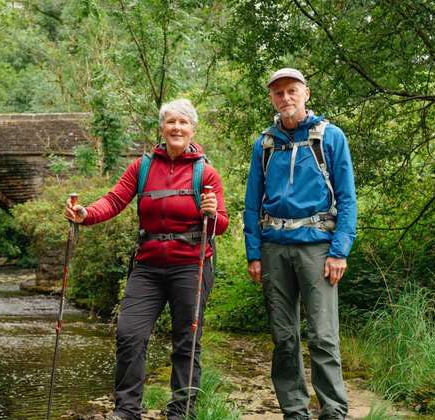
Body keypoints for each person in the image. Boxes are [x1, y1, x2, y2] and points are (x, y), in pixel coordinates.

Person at [65, 98, 228, 420]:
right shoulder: (142, 167)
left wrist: (211, 212)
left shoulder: (206, 173)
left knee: (187, 341)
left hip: (191, 265)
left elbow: (220, 223)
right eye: (171, 122)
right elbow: (113, 201)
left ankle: (180, 412)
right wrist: (85, 214)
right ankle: (127, 410)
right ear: (162, 127)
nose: (176, 128)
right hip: (148, 266)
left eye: (183, 123)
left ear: (192, 129)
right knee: (129, 334)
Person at [243, 68, 357, 420]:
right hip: (274, 248)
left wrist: (340, 251)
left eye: (292, 91)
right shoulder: (264, 143)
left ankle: (333, 411)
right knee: (284, 337)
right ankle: (295, 411)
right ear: (272, 99)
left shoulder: (330, 137)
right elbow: (251, 202)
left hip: (317, 248)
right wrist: (253, 253)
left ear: (306, 93)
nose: (286, 98)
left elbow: (347, 199)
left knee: (323, 336)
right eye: (279, 93)